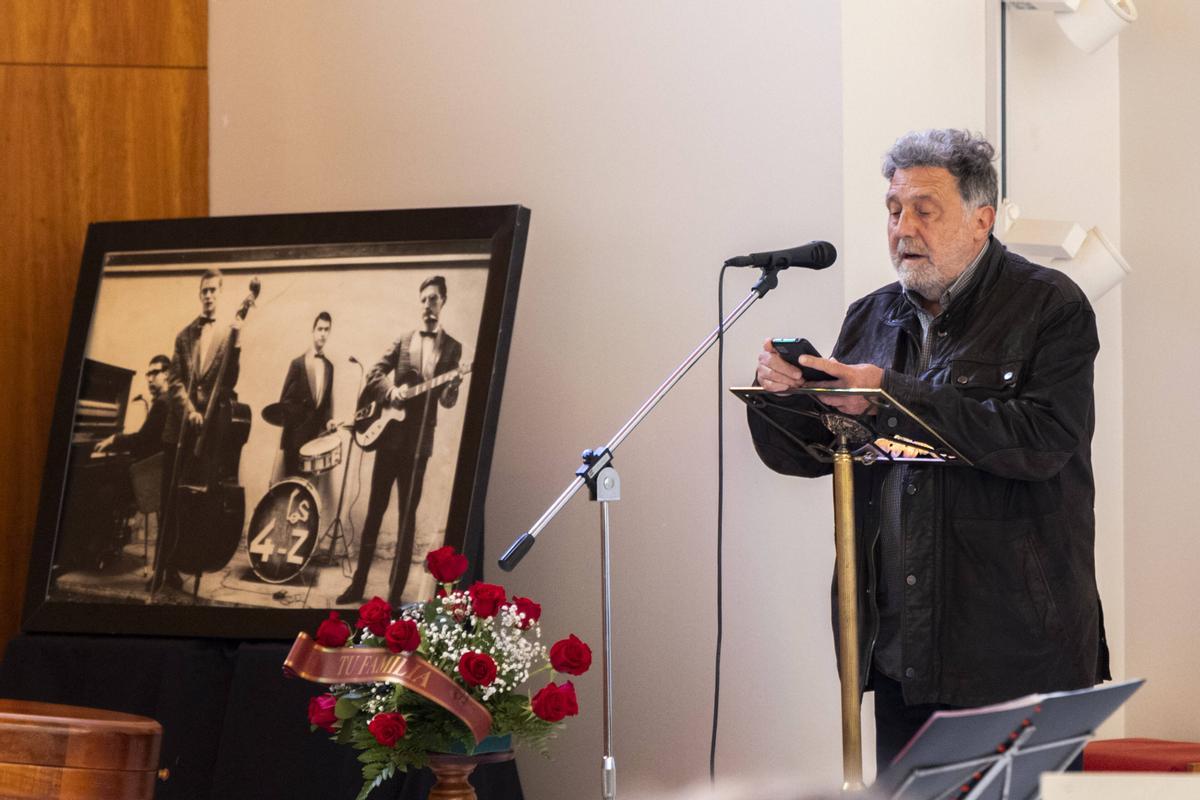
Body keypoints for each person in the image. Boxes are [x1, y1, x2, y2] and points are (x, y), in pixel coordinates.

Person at [747, 129, 1109, 771]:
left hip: (1016, 652)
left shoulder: (1051, 306)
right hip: (899, 648)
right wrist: (787, 395)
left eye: (924, 209)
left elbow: (1042, 442)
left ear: (981, 219)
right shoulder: (871, 317)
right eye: (893, 210)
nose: (903, 227)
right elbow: (814, 455)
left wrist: (886, 392)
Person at [337, 275, 463, 605]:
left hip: (419, 448)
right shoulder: (403, 341)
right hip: (389, 439)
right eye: (423, 299)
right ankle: (357, 586)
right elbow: (374, 374)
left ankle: (394, 599)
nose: (427, 305)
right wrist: (390, 391)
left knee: (407, 522)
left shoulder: (453, 348)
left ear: (443, 302)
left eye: (433, 299)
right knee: (375, 513)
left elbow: (448, 402)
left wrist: (452, 386)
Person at [154, 268, 243, 593]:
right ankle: (165, 569)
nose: (208, 296)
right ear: (200, 295)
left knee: (196, 504)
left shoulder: (226, 336)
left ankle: (187, 560)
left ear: (220, 293)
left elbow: (229, 380)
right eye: (204, 291)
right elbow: (175, 381)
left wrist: (237, 342)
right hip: (178, 431)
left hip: (209, 435)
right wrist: (190, 411)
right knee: (169, 502)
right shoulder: (184, 335)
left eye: (213, 291)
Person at [277, 311, 336, 477]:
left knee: (305, 489)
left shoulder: (330, 368)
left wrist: (329, 421)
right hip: (294, 439)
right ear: (313, 331)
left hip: (313, 441)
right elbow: (285, 402)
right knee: (290, 486)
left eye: (327, 330)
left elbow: (324, 405)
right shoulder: (298, 364)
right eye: (320, 329)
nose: (323, 334)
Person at [93, 354, 170, 460]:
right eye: (148, 374)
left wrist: (114, 439)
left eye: (155, 373)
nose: (150, 379)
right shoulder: (172, 399)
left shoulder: (162, 403)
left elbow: (142, 440)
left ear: (167, 374)